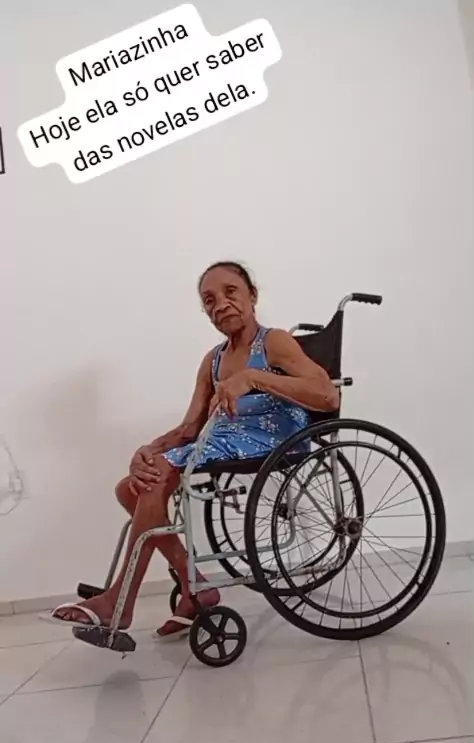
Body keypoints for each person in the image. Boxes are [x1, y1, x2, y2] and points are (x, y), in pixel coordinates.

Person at [50, 261, 339, 638]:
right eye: (210, 300)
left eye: (230, 292)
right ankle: (196, 586)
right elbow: (190, 428)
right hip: (224, 439)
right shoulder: (213, 360)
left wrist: (254, 378)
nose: (221, 304)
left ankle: (118, 602)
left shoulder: (274, 342)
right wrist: (149, 448)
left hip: (274, 437)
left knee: (153, 481)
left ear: (252, 295)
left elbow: (327, 396)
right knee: (130, 488)